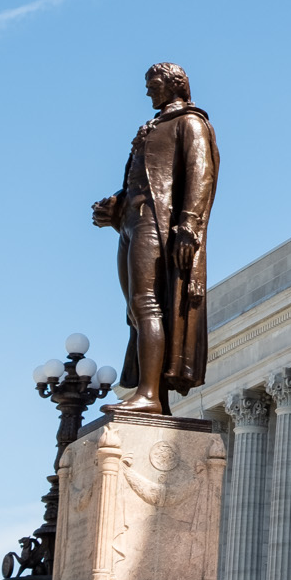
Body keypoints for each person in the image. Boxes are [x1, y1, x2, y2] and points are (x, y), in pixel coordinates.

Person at [92, 63, 219, 416]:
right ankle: (152, 395)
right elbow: (145, 179)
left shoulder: (189, 122)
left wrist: (189, 226)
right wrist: (116, 205)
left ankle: (149, 395)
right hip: (132, 223)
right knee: (136, 311)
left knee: (147, 303)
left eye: (154, 83)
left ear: (175, 84)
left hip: (157, 223)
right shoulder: (154, 125)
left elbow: (200, 175)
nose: (148, 90)